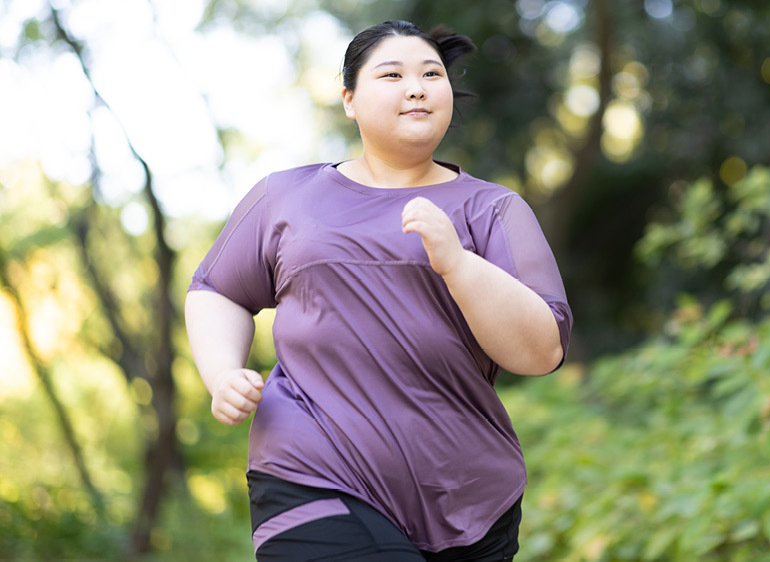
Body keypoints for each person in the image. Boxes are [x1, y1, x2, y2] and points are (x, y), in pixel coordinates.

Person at [184, 19, 572, 561]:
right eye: (392, 74)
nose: (416, 86)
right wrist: (223, 372)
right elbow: (216, 290)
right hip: (311, 473)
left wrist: (458, 264)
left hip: (470, 499)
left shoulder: (494, 209)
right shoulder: (286, 197)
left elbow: (541, 350)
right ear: (349, 99)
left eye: (431, 73)